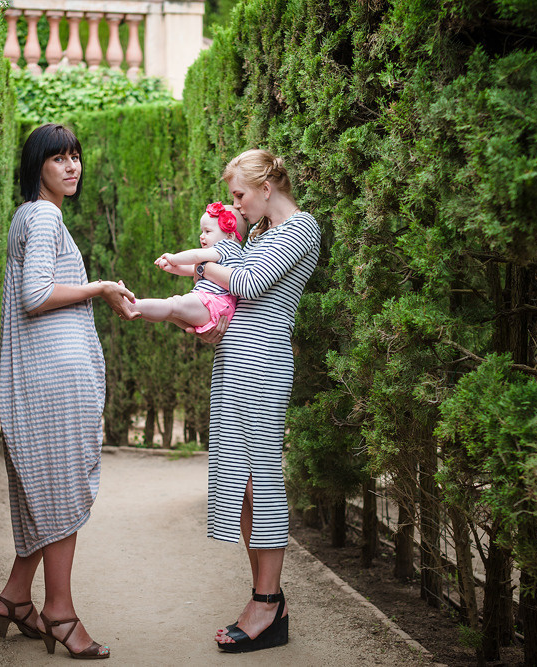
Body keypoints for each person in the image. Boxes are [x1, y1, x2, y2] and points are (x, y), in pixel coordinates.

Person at [0, 123, 135, 660]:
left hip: (44, 376)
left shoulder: (27, 215)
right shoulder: (45, 216)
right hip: (54, 379)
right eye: (59, 159)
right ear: (38, 167)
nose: (72, 167)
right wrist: (101, 287)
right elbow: (36, 296)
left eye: (75, 156)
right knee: (62, 493)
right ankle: (60, 612)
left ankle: (13, 598)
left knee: (46, 491)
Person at [195, 149, 322, 653]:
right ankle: (266, 598)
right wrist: (208, 315)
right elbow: (234, 291)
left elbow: (248, 283)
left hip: (264, 364)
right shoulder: (261, 234)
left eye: (239, 195)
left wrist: (203, 263)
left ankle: (268, 604)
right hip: (235, 361)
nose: (235, 206)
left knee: (260, 478)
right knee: (241, 482)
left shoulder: (301, 228)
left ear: (266, 188)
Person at [125, 202, 245, 331]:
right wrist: (174, 268)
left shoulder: (226, 247)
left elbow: (196, 256)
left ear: (229, 236)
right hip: (216, 306)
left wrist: (173, 258)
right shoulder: (225, 255)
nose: (201, 236)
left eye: (208, 231)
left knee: (173, 305)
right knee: (170, 311)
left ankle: (133, 306)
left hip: (215, 303)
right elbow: (194, 269)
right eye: (202, 231)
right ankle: (137, 310)